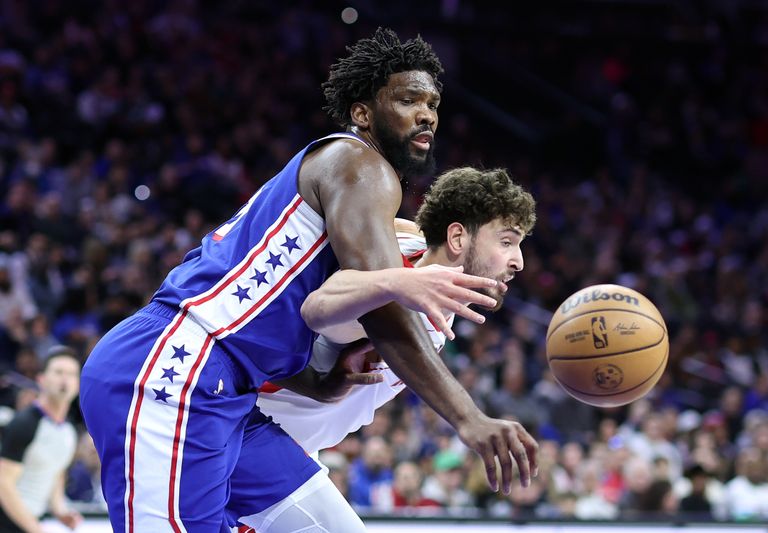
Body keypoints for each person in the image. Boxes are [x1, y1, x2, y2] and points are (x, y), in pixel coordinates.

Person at [79, 27, 538, 532]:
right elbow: (379, 306)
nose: (427, 113)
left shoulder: (365, 193)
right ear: (363, 113)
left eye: (433, 103)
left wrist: (318, 381)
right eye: (408, 99)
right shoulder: (359, 164)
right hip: (179, 369)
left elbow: (279, 316)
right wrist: (469, 418)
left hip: (230, 387)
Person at [229, 166, 536, 529]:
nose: (519, 261)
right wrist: (395, 283)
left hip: (289, 445)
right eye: (506, 242)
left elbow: (405, 231)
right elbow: (317, 307)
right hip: (245, 434)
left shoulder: (409, 242)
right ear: (457, 239)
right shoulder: (395, 293)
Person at [0, 346, 83, 533]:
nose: (65, 379)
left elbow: (55, 474)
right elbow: (3, 484)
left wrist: (61, 511)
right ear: (41, 380)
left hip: (29, 523)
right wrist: (36, 529)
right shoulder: (25, 423)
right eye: (58, 372)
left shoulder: (68, 432)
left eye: (71, 374)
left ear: (78, 384)